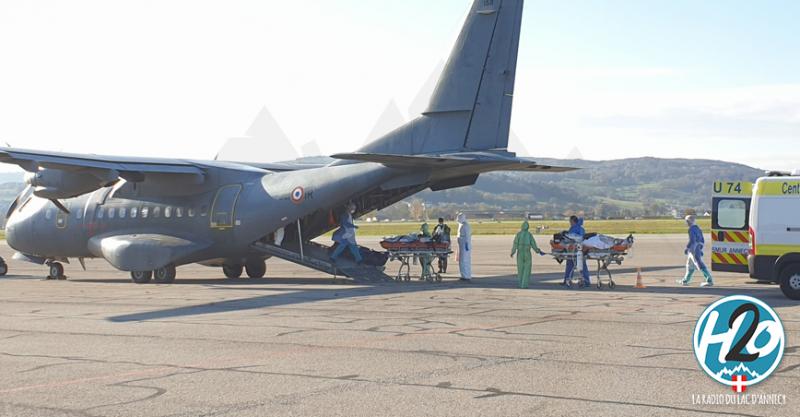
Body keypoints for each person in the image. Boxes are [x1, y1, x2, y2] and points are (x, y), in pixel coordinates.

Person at [678, 215, 714, 287]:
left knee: (699, 264)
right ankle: (685, 280)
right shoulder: (698, 228)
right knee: (690, 265)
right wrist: (700, 248)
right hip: (696, 248)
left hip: (693, 249)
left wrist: (687, 248)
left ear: (689, 222)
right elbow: (702, 240)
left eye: (687, 221)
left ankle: (709, 280)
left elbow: (692, 240)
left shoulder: (691, 229)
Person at [511, 220, 545, 289]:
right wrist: (537, 250)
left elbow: (515, 244)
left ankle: (520, 284)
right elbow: (533, 244)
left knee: (520, 269)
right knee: (527, 269)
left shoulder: (518, 234)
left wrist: (513, 252)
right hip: (527, 252)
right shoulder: (529, 235)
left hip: (520, 253)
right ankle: (524, 284)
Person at [563, 216, 591, 287]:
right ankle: (586, 281)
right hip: (578, 249)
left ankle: (567, 280)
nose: (570, 223)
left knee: (572, 265)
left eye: (570, 221)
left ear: (573, 221)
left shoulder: (574, 228)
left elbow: (572, 238)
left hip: (575, 249)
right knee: (581, 266)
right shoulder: (580, 228)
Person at [456, 213, 472, 281]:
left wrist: (467, 245)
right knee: (462, 261)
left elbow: (467, 237)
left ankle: (466, 276)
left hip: (465, 246)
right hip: (461, 245)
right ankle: (464, 275)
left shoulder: (465, 226)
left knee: (464, 261)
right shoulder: (461, 225)